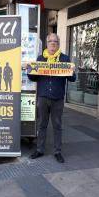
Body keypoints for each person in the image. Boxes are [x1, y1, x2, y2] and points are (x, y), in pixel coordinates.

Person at [28, 33, 76, 163]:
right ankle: (40, 149)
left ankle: (58, 151)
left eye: (55, 41)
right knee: (42, 124)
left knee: (57, 125)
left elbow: (72, 78)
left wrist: (72, 71)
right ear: (47, 43)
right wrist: (29, 70)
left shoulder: (65, 59)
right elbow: (33, 78)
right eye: (50, 41)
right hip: (43, 97)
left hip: (57, 99)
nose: (53, 43)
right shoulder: (40, 59)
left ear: (58, 44)